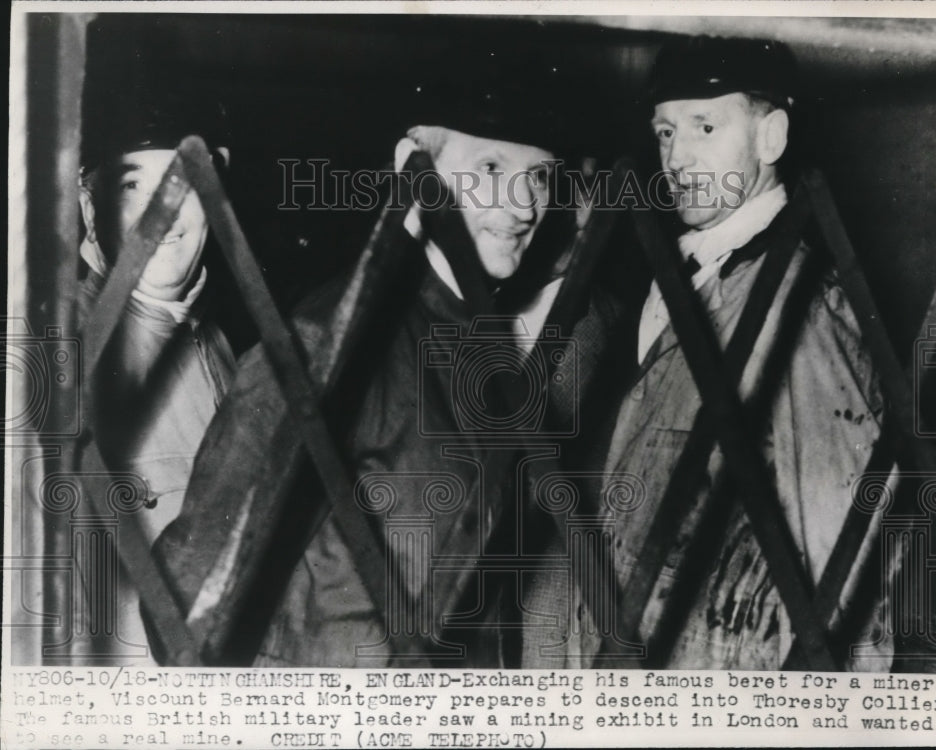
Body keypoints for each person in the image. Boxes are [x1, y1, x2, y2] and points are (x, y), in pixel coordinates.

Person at [150, 56, 623, 667]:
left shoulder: (484, 344)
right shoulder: (332, 339)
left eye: (539, 177)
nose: (524, 205)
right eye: (490, 168)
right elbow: (186, 593)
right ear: (412, 168)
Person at [524, 35, 892, 671]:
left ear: (771, 138)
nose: (677, 157)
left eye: (705, 126)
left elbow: (849, 560)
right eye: (666, 133)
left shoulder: (798, 304)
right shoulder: (675, 278)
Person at [77, 84, 237, 658]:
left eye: (182, 180)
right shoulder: (60, 352)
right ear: (89, 207)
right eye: (130, 185)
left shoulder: (218, 342)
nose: (160, 210)